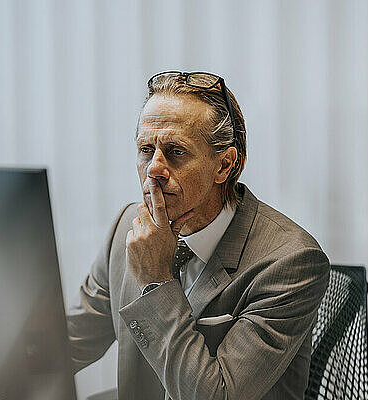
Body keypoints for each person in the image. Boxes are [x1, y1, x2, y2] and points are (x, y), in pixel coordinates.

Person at [66, 71, 330, 400]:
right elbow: (67, 346)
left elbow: (215, 395)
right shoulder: (126, 228)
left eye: (175, 152)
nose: (153, 169)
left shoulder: (292, 261)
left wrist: (157, 281)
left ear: (224, 166)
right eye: (146, 150)